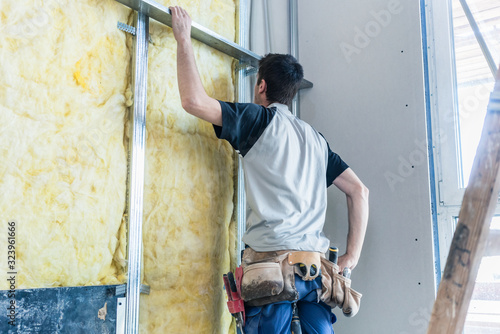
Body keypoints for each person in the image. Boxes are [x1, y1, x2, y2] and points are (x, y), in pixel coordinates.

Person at [170, 6, 369, 334]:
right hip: (317, 275)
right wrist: (351, 257)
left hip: (272, 274)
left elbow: (194, 101)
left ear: (261, 86)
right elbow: (359, 191)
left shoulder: (258, 121)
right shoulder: (317, 142)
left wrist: (183, 39)